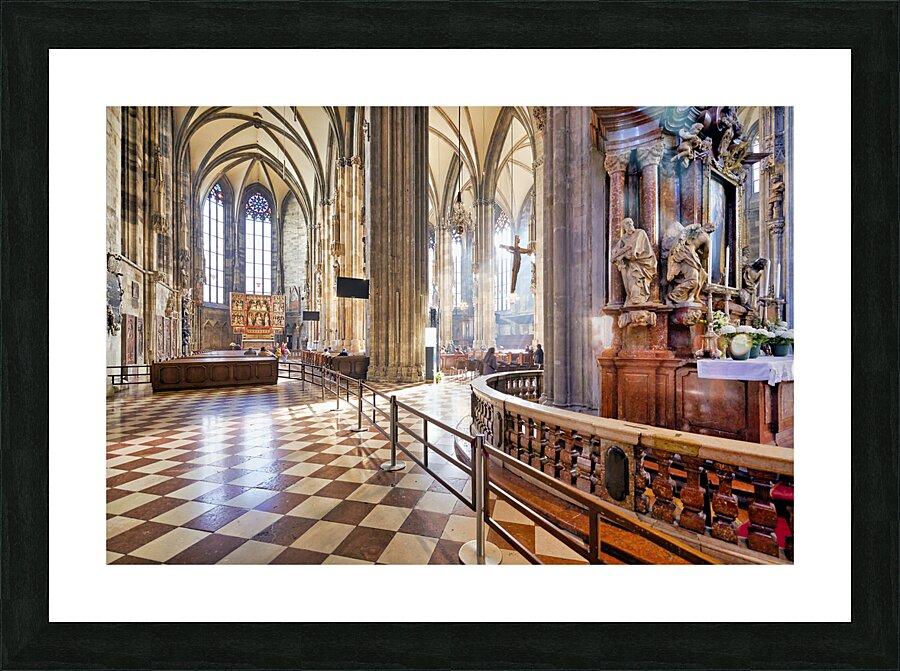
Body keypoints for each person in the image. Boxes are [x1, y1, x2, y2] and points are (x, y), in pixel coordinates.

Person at [610, 217, 657, 305]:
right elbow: (616, 250)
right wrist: (616, 254)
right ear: (624, 227)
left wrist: (625, 254)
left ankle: (637, 297)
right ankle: (632, 297)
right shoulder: (624, 238)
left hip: (643, 263)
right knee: (628, 278)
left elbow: (635, 251)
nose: (630, 224)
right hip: (631, 264)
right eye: (627, 223)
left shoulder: (640, 233)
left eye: (631, 222)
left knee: (634, 277)